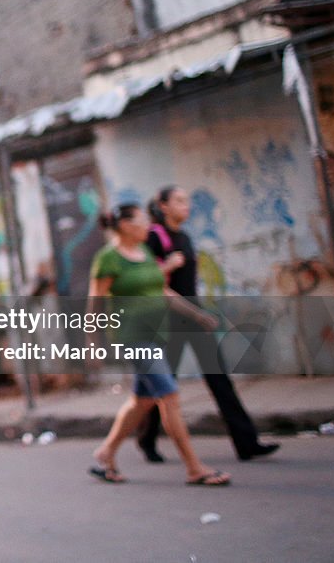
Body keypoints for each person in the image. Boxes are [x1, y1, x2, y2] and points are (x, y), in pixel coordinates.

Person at [87, 204, 230, 486]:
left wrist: (197, 315)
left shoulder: (145, 253)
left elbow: (162, 291)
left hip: (157, 335)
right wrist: (93, 344)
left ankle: (106, 452)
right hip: (134, 338)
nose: (148, 226)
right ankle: (194, 468)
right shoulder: (108, 259)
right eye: (141, 220)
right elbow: (95, 304)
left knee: (142, 400)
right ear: (125, 225)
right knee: (170, 397)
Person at [137, 186, 280, 463]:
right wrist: (167, 266)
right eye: (179, 201)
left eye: (187, 200)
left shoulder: (186, 237)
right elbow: (146, 280)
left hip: (194, 317)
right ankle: (146, 439)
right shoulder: (156, 237)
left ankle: (247, 443)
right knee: (163, 384)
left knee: (219, 378)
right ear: (163, 206)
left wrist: (200, 312)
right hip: (168, 320)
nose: (186, 206)